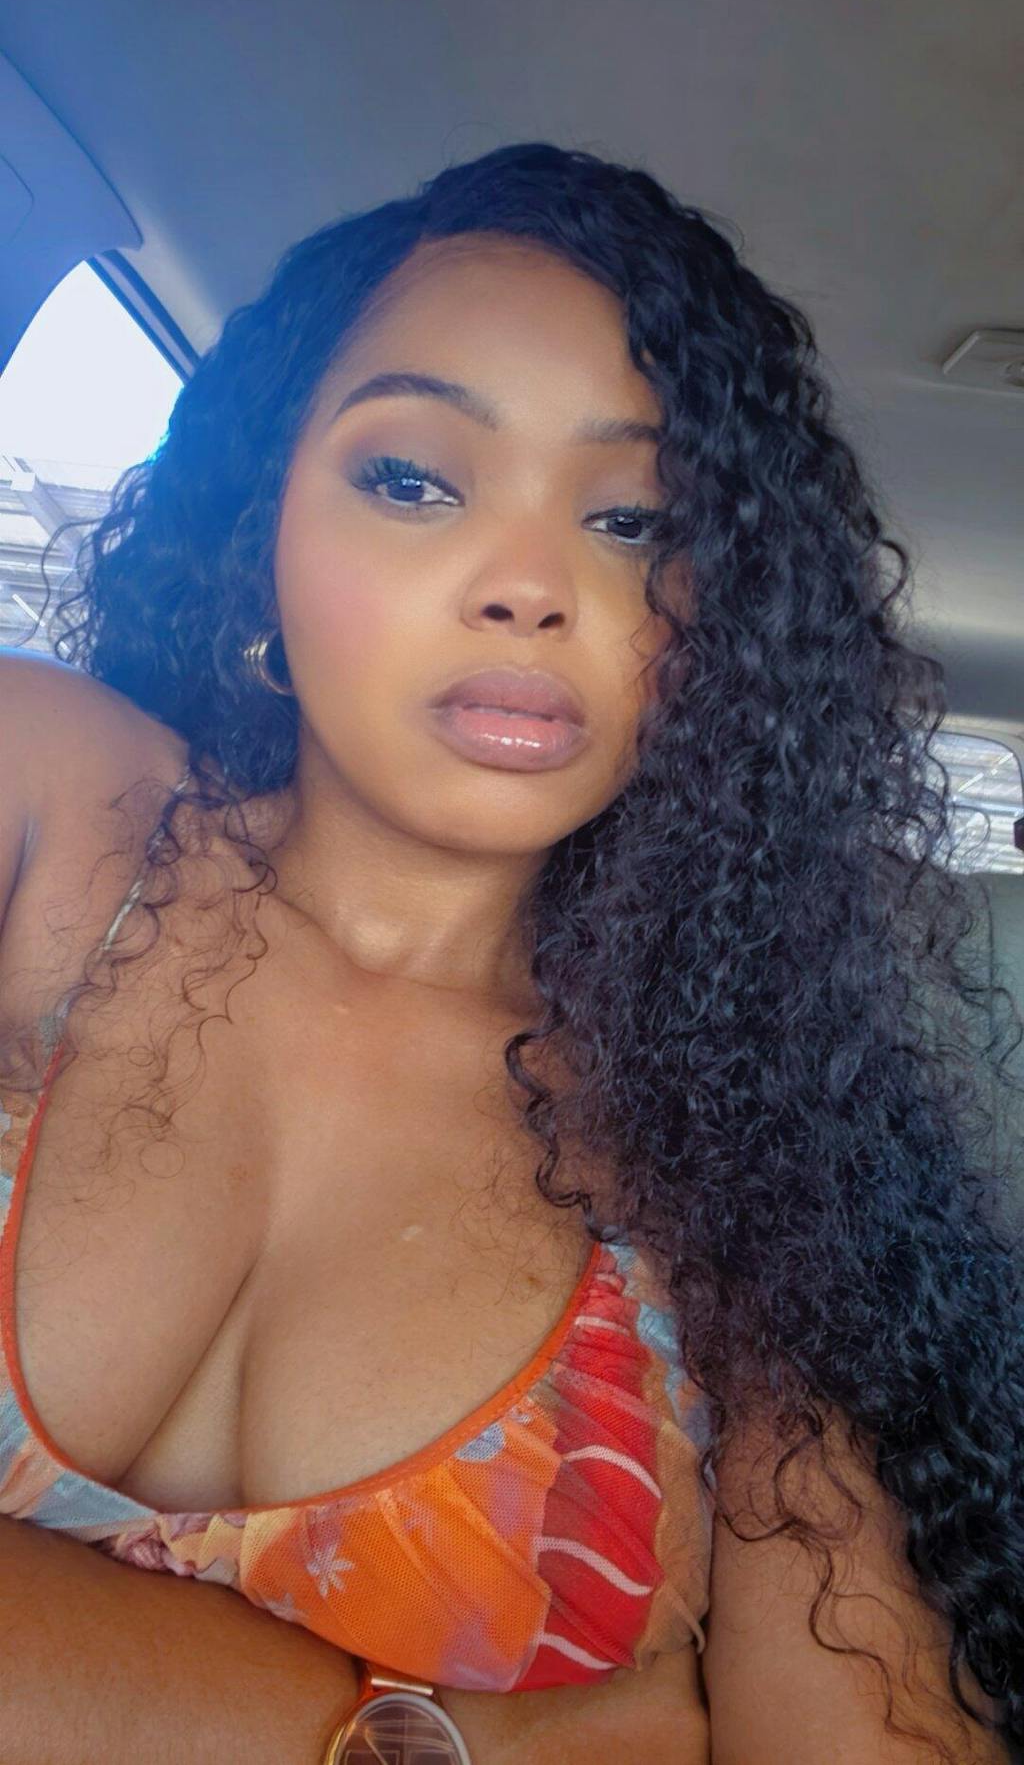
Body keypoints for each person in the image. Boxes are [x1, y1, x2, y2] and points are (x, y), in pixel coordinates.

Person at [0, 141, 1020, 1763]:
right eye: (414, 480)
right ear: (264, 523)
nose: (533, 589)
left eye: (632, 519)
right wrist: (466, 1741)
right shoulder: (37, 798)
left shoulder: (758, 1177)